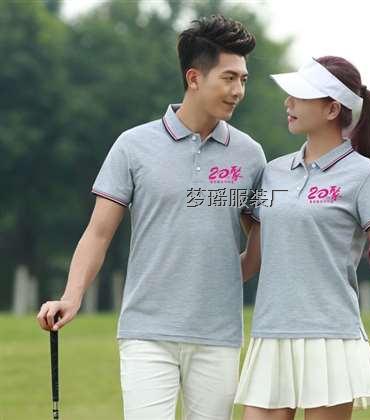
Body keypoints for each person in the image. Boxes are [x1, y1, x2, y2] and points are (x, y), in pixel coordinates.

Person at [37, 15, 266, 420]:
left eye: (243, 80)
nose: (238, 91)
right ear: (194, 78)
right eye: (229, 78)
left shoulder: (250, 155)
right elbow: (98, 233)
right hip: (146, 333)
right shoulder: (133, 146)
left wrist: (222, 279)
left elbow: (261, 238)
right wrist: (71, 296)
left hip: (218, 336)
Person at [235, 56, 370, 420]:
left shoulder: (363, 175)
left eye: (300, 96)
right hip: (272, 331)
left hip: (330, 337)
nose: (288, 103)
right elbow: (254, 258)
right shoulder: (273, 172)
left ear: (332, 109)